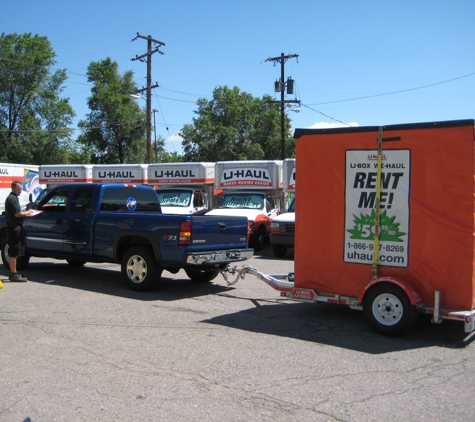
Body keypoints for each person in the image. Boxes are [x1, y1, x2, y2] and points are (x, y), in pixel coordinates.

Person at [4, 181, 33, 282]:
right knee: (13, 249)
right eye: (19, 189)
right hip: (13, 227)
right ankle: (13, 274)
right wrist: (28, 212)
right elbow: (17, 214)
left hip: (15, 226)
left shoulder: (14, 198)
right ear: (13, 188)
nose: (20, 191)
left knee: (16, 250)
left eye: (21, 189)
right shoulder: (11, 198)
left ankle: (14, 272)